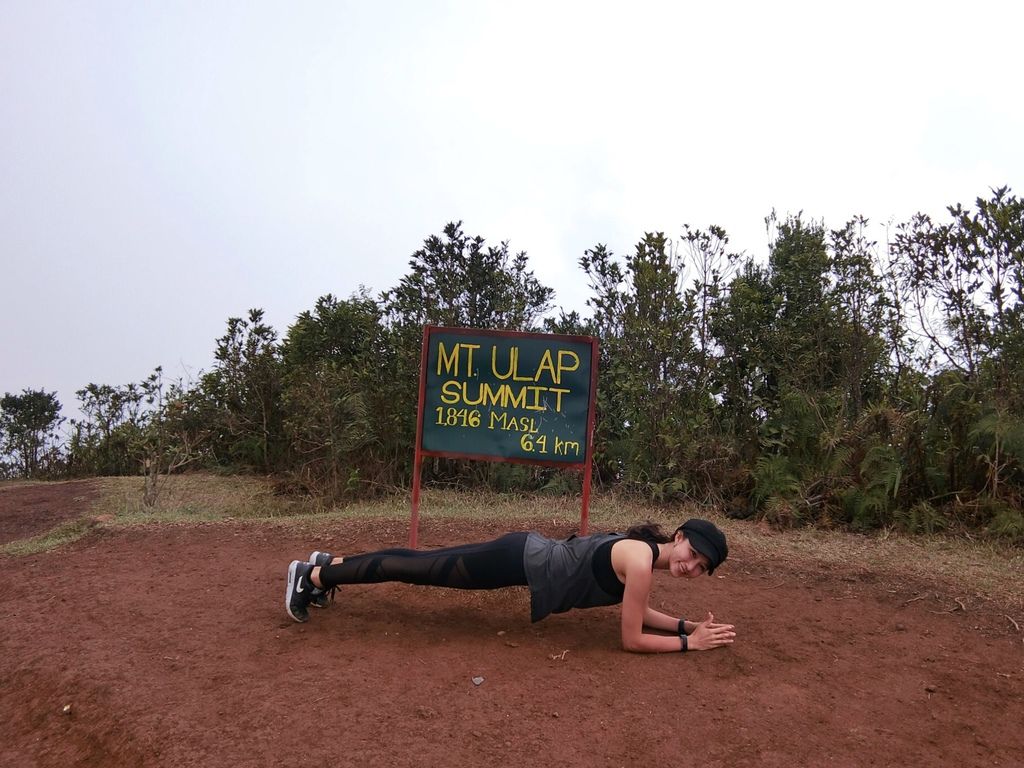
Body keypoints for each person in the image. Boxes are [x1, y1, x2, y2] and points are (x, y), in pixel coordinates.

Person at [284, 518, 735, 654]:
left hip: (523, 557)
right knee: (417, 567)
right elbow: (631, 636)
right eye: (692, 553)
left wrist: (685, 624)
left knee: (420, 563)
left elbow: (635, 612)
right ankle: (312, 576)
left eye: (700, 567)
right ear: (678, 538)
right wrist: (689, 644)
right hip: (518, 558)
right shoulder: (639, 561)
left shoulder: (643, 557)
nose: (691, 566)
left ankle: (332, 564)